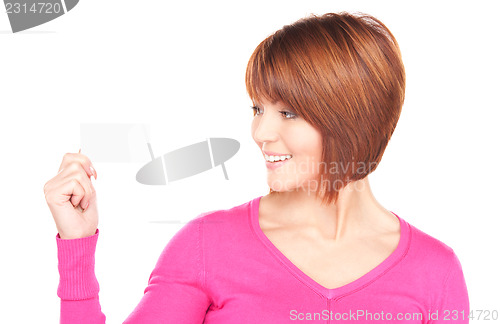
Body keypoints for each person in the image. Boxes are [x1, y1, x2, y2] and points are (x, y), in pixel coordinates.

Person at [44, 11, 470, 323]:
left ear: (351, 119)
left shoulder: (435, 273)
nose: (259, 132)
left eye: (288, 113)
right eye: (258, 108)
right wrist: (77, 247)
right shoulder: (207, 245)